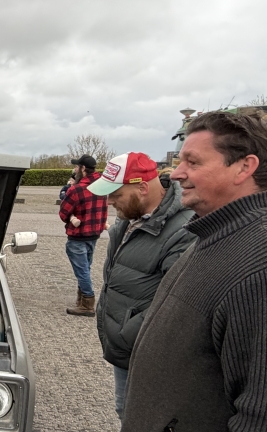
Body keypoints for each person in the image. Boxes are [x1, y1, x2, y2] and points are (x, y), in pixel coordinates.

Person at [123, 111, 267, 431]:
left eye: (192, 162)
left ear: (244, 167)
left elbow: (263, 413)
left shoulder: (263, 263)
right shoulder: (214, 232)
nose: (177, 174)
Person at [86, 152, 196, 422]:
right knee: (126, 411)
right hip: (129, 347)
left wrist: (128, 331)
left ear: (143, 188)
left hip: (150, 352)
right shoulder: (130, 219)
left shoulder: (184, 230)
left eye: (116, 194)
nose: (109, 201)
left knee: (143, 419)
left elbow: (177, 302)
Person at [59, 154, 108, 316]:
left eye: (76, 167)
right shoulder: (102, 186)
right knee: (85, 267)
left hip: (78, 236)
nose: (75, 170)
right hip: (94, 234)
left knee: (82, 271)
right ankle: (81, 300)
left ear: (83, 169)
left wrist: (71, 217)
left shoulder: (76, 189)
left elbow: (63, 213)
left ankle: (87, 303)